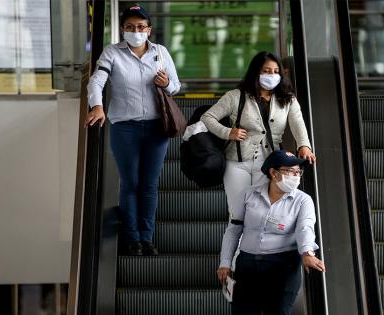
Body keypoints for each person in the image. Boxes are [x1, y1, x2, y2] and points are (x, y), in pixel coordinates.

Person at [84, 4, 181, 256]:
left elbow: (176, 87)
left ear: (149, 29)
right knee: (130, 183)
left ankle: (147, 238)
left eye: (140, 27)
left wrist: (167, 83)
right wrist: (97, 106)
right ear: (122, 29)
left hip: (156, 127)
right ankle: (132, 238)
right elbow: (97, 80)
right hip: (124, 127)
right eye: (130, 27)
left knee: (149, 184)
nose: (135, 31)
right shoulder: (112, 53)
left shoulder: (160, 52)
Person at [200, 51, 316, 220]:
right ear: (256, 72)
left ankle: (256, 247)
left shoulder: (288, 99)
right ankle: (238, 247)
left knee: (262, 211)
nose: (272, 75)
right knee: (238, 214)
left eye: (276, 72)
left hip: (270, 163)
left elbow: (298, 124)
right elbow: (207, 117)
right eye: (267, 71)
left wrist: (304, 146)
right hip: (237, 162)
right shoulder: (235, 96)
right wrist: (228, 133)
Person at [216, 150, 326, 315]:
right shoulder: (248, 194)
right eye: (290, 171)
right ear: (273, 172)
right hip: (247, 265)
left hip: (282, 266)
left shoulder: (303, 200)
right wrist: (225, 262)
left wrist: (307, 252)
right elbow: (233, 230)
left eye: (298, 172)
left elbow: (305, 228)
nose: (295, 176)